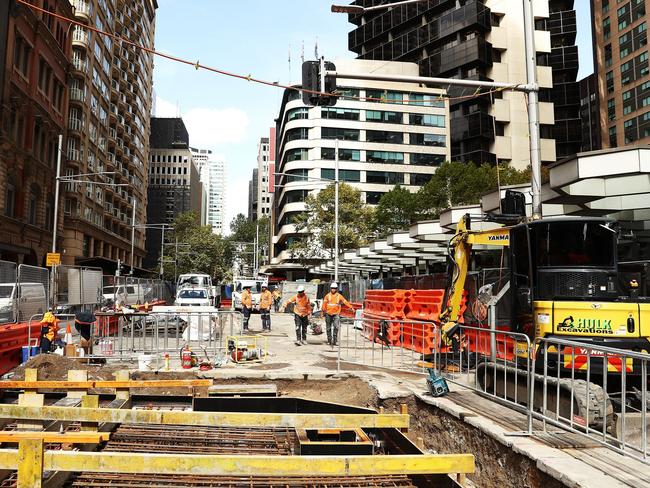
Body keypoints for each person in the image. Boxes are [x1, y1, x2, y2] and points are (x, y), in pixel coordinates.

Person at [321, 282, 354, 346]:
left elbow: (345, 302)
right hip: (328, 313)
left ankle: (335, 340)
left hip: (336, 314)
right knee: (328, 328)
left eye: (334, 288)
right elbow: (324, 305)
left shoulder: (339, 296)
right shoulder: (327, 296)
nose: (333, 289)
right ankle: (329, 340)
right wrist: (322, 313)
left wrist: (351, 307)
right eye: (332, 288)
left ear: (336, 289)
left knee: (336, 327)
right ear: (330, 289)